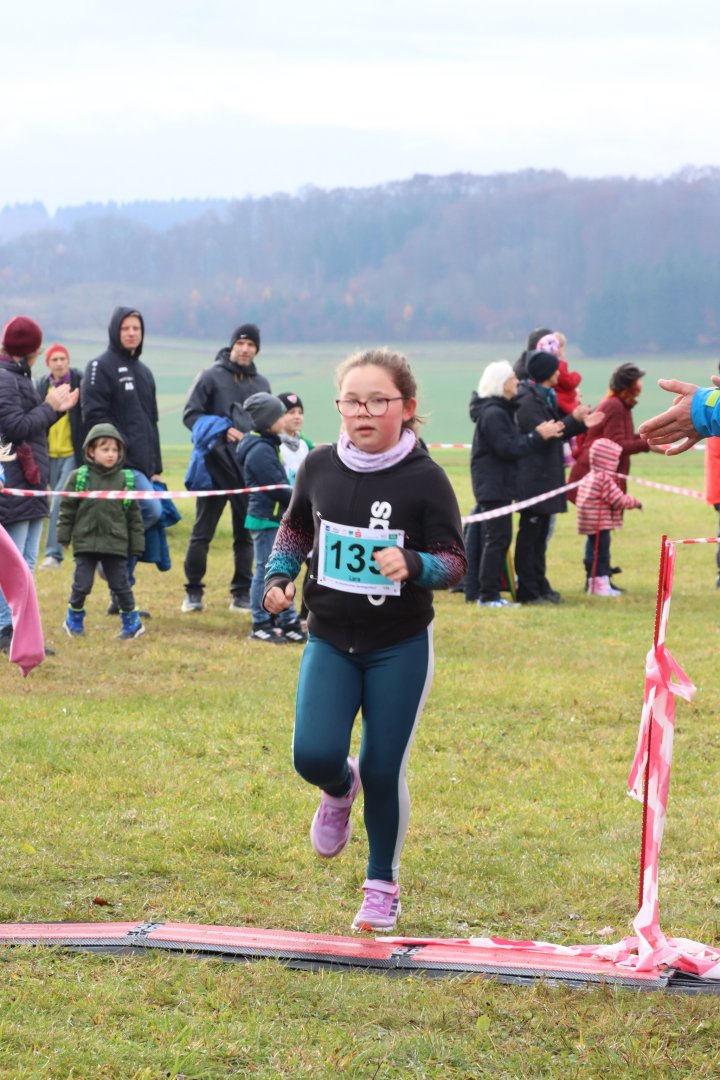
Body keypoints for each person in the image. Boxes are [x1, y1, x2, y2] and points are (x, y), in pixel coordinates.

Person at [263, 347, 466, 931]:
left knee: (383, 768)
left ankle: (381, 884)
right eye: (352, 401)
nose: (364, 412)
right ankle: (338, 786)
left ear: (407, 407)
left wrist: (416, 564)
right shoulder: (318, 466)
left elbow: (455, 563)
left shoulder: (426, 479)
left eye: (378, 401)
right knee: (313, 755)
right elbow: (295, 529)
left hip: (398, 645)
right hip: (329, 638)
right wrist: (278, 577)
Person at [0, 316, 78, 654]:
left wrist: (57, 410)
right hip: (15, 480)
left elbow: (31, 426)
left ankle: (20, 629)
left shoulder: (19, 377)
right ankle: (5, 629)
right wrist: (49, 406)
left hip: (31, 480)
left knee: (27, 560)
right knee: (13, 563)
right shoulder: (5, 379)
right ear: (32, 350)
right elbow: (14, 427)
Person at [181, 323, 269, 613]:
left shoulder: (262, 384)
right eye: (240, 343)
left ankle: (241, 593)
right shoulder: (210, 376)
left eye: (251, 345)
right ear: (232, 346)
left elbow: (269, 423)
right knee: (202, 533)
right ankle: (193, 592)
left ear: (256, 350)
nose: (245, 349)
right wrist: (221, 429)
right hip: (213, 466)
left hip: (247, 469)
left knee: (245, 534)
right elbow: (190, 415)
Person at [81, 307, 161, 614]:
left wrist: (156, 467)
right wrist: (110, 456)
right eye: (125, 328)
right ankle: (109, 567)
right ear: (115, 331)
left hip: (143, 465)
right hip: (117, 466)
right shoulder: (99, 366)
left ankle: (120, 592)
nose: (131, 333)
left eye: (136, 328)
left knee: (140, 522)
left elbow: (151, 422)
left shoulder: (145, 372)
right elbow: (94, 416)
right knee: (150, 510)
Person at [470, 360, 563, 607]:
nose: (517, 382)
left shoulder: (500, 411)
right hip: (493, 486)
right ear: (502, 383)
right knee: (497, 540)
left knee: (499, 539)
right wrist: (537, 436)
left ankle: (489, 594)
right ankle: (488, 595)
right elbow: (507, 447)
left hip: (499, 484)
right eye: (513, 378)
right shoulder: (494, 414)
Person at [514, 350, 599, 604]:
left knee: (540, 537)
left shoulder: (543, 397)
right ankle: (528, 590)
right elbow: (545, 434)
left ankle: (540, 584)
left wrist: (579, 422)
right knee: (530, 537)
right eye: (556, 369)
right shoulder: (528, 401)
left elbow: (556, 433)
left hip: (545, 478)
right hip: (533, 479)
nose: (560, 373)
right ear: (547, 373)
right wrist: (572, 419)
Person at [57, 424, 146, 640]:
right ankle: (73, 619)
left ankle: (132, 624)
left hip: (115, 543)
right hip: (86, 542)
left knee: (121, 585)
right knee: (81, 585)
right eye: (105, 449)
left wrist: (137, 544)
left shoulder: (126, 480)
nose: (111, 454)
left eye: (115, 450)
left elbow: (134, 516)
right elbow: (67, 509)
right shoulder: (79, 478)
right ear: (91, 451)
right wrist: (63, 536)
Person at [235, 393, 304, 643]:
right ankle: (260, 623)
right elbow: (278, 487)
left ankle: (287, 622)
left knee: (279, 570)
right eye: (280, 415)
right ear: (267, 420)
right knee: (265, 571)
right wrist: (303, 502)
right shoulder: (260, 450)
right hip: (266, 518)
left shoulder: (268, 444)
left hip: (275, 517)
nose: (285, 419)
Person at [36, 344, 85, 569]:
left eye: (62, 359)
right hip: (47, 454)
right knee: (54, 502)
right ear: (48, 363)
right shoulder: (41, 386)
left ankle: (53, 555)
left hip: (71, 453)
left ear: (68, 361)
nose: (59, 363)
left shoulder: (79, 382)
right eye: (54, 359)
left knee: (58, 500)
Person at [576, 438, 642, 596]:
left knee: (595, 553)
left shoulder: (590, 476)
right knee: (602, 555)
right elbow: (618, 499)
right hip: (600, 523)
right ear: (607, 460)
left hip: (590, 523)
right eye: (615, 459)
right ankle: (600, 586)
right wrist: (635, 502)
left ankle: (594, 584)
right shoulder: (604, 479)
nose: (616, 463)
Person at [277, 392, 314, 483]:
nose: (297, 417)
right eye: (291, 412)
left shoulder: (304, 445)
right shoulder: (276, 446)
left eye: (300, 413)